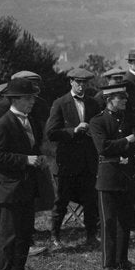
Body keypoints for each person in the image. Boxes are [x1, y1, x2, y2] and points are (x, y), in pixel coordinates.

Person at [0, 78, 50, 270]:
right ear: (14, 100)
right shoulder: (2, 124)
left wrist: (38, 157)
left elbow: (29, 148)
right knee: (9, 234)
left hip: (26, 185)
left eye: (33, 97)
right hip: (9, 188)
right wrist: (26, 160)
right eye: (28, 98)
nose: (32, 101)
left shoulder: (29, 121)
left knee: (25, 232)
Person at [89, 80, 135, 270]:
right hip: (108, 179)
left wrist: (123, 145)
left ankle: (122, 260)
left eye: (125, 97)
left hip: (126, 177)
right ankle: (108, 265)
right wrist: (126, 141)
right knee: (108, 222)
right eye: (120, 98)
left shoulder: (128, 118)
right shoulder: (97, 121)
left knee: (124, 221)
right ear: (109, 100)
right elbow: (102, 148)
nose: (124, 101)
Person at [44, 67, 100, 248]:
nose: (81, 86)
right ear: (71, 82)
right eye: (78, 82)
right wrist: (73, 131)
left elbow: (100, 128)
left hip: (88, 161)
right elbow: (51, 133)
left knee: (91, 200)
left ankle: (91, 237)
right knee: (61, 200)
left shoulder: (93, 104)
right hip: (66, 162)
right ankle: (55, 237)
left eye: (84, 83)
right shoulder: (60, 103)